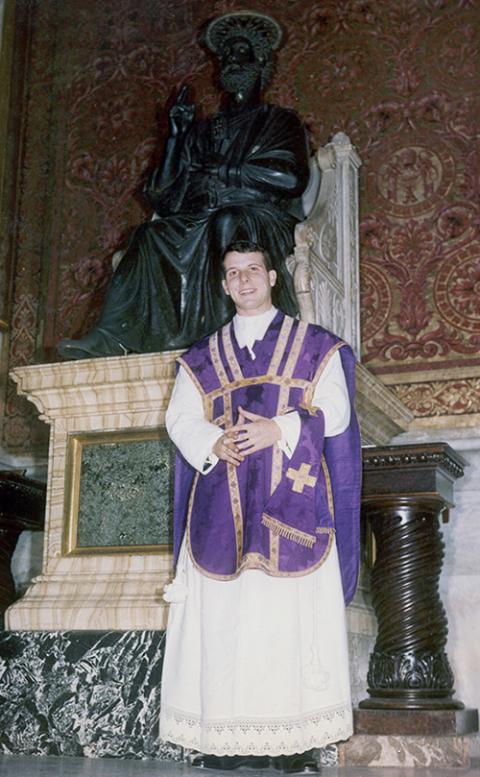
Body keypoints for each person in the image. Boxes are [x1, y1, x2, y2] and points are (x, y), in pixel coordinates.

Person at [160, 240, 361, 772]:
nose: (244, 280)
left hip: (290, 503)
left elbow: (336, 411)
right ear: (224, 286)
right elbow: (179, 419)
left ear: (273, 277)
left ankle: (291, 742)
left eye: (253, 270)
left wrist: (282, 428)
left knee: (282, 620)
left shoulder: (317, 346)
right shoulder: (201, 359)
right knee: (223, 621)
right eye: (233, 273)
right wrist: (211, 442)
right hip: (220, 507)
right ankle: (223, 740)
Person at [59, 12, 310, 360]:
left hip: (259, 220)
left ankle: (229, 335)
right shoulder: (203, 131)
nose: (231, 61)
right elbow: (162, 197)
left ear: (260, 60)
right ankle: (110, 336)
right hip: (201, 220)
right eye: (225, 55)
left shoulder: (279, 121)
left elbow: (292, 178)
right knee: (148, 237)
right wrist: (178, 137)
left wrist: (226, 171)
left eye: (240, 52)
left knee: (228, 221)